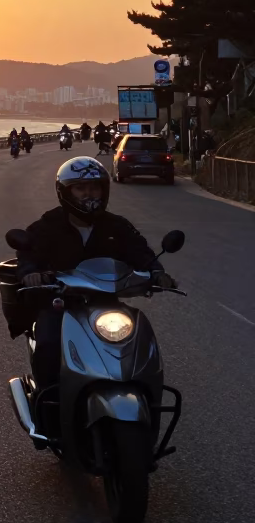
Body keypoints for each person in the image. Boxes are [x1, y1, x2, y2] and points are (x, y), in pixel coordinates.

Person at [14, 157, 175, 397]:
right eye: (81, 188)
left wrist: (157, 272)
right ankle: (48, 403)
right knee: (48, 344)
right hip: (62, 304)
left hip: (107, 303)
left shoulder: (117, 226)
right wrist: (31, 274)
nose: (89, 194)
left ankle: (146, 395)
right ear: (66, 192)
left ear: (104, 190)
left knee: (141, 341)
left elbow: (140, 251)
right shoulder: (48, 226)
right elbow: (27, 254)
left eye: (94, 187)